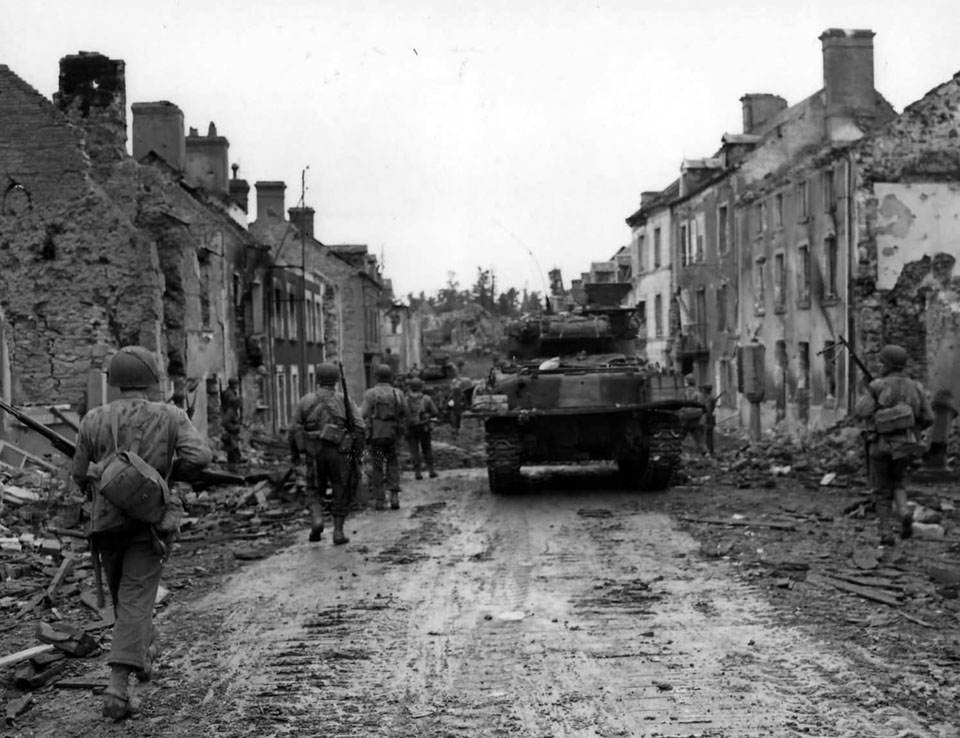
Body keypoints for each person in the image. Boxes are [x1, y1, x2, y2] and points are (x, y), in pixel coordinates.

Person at [73, 346, 212, 721]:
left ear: (115, 380)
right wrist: (160, 475)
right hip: (149, 523)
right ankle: (117, 690)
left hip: (105, 525)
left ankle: (143, 655)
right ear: (151, 378)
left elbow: (78, 473)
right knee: (136, 599)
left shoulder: (92, 419)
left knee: (125, 598)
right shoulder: (170, 415)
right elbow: (201, 457)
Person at [855, 344, 934, 546]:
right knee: (898, 482)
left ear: (888, 364)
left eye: (882, 362)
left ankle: (885, 531)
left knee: (881, 490)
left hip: (879, 445)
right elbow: (928, 417)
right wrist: (913, 428)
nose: (880, 365)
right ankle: (905, 512)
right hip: (906, 445)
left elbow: (861, 411)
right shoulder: (916, 387)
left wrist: (868, 389)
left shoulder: (879, 386)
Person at [289, 363, 365, 545]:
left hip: (314, 452)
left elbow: (293, 430)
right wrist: (358, 454)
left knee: (314, 489)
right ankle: (338, 532)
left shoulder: (305, 400)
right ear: (336, 381)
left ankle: (317, 520)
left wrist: (295, 456)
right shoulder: (343, 400)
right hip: (340, 453)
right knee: (341, 487)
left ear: (318, 380)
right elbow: (360, 428)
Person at [361, 364, 407, 510]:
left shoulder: (370, 394)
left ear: (376, 377)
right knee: (393, 464)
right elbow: (405, 412)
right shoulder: (397, 393)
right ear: (390, 377)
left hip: (376, 435)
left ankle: (380, 500)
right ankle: (394, 498)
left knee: (377, 466)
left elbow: (362, 414)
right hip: (393, 434)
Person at [405, 377, 439, 480]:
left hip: (411, 427)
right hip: (424, 427)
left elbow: (402, 413)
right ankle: (431, 470)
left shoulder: (406, 399)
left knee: (414, 450)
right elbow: (435, 412)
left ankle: (417, 472)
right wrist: (427, 416)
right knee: (427, 448)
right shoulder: (426, 399)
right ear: (421, 387)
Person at [678, 373, 707, 454]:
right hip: (696, 419)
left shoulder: (683, 392)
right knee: (700, 441)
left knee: (679, 438)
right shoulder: (698, 393)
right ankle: (706, 456)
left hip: (685, 418)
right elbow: (702, 407)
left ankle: (676, 453)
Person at [220, 378, 243, 464]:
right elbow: (224, 422)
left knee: (234, 448)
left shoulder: (228, 393)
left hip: (232, 432)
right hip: (231, 432)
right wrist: (234, 427)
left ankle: (234, 461)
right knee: (233, 448)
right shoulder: (230, 411)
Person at [702, 384, 718, 456]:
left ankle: (709, 451)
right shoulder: (711, 398)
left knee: (707, 435)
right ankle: (710, 450)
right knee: (709, 435)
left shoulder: (707, 398)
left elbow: (708, 409)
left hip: (707, 418)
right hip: (709, 417)